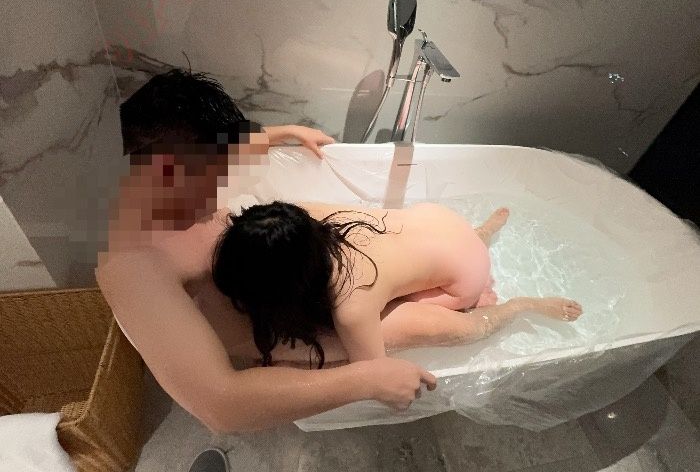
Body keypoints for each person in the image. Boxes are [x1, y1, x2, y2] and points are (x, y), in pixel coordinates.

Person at [98, 68, 453, 434]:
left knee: (396, 235)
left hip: (286, 268)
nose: (219, 189)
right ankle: (490, 319)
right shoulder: (132, 264)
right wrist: (366, 380)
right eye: (210, 179)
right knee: (428, 323)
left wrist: (284, 132)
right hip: (284, 324)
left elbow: (229, 148)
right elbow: (220, 406)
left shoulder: (176, 173)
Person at [210, 200, 583, 369]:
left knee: (453, 328)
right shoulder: (297, 216)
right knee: (403, 265)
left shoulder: (351, 303)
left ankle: (519, 305)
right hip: (440, 219)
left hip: (465, 278)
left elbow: (370, 370)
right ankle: (481, 234)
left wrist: (287, 359)